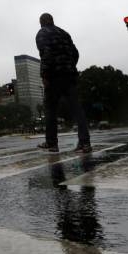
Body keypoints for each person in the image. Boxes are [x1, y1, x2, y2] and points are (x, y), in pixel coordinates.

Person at [35, 12, 91, 153]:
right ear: (52, 20)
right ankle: (85, 143)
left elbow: (45, 54)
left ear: (41, 22)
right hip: (70, 76)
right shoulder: (64, 33)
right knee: (77, 110)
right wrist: (70, 65)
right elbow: (75, 53)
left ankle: (52, 143)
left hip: (54, 76)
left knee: (50, 110)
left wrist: (45, 75)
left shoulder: (42, 33)